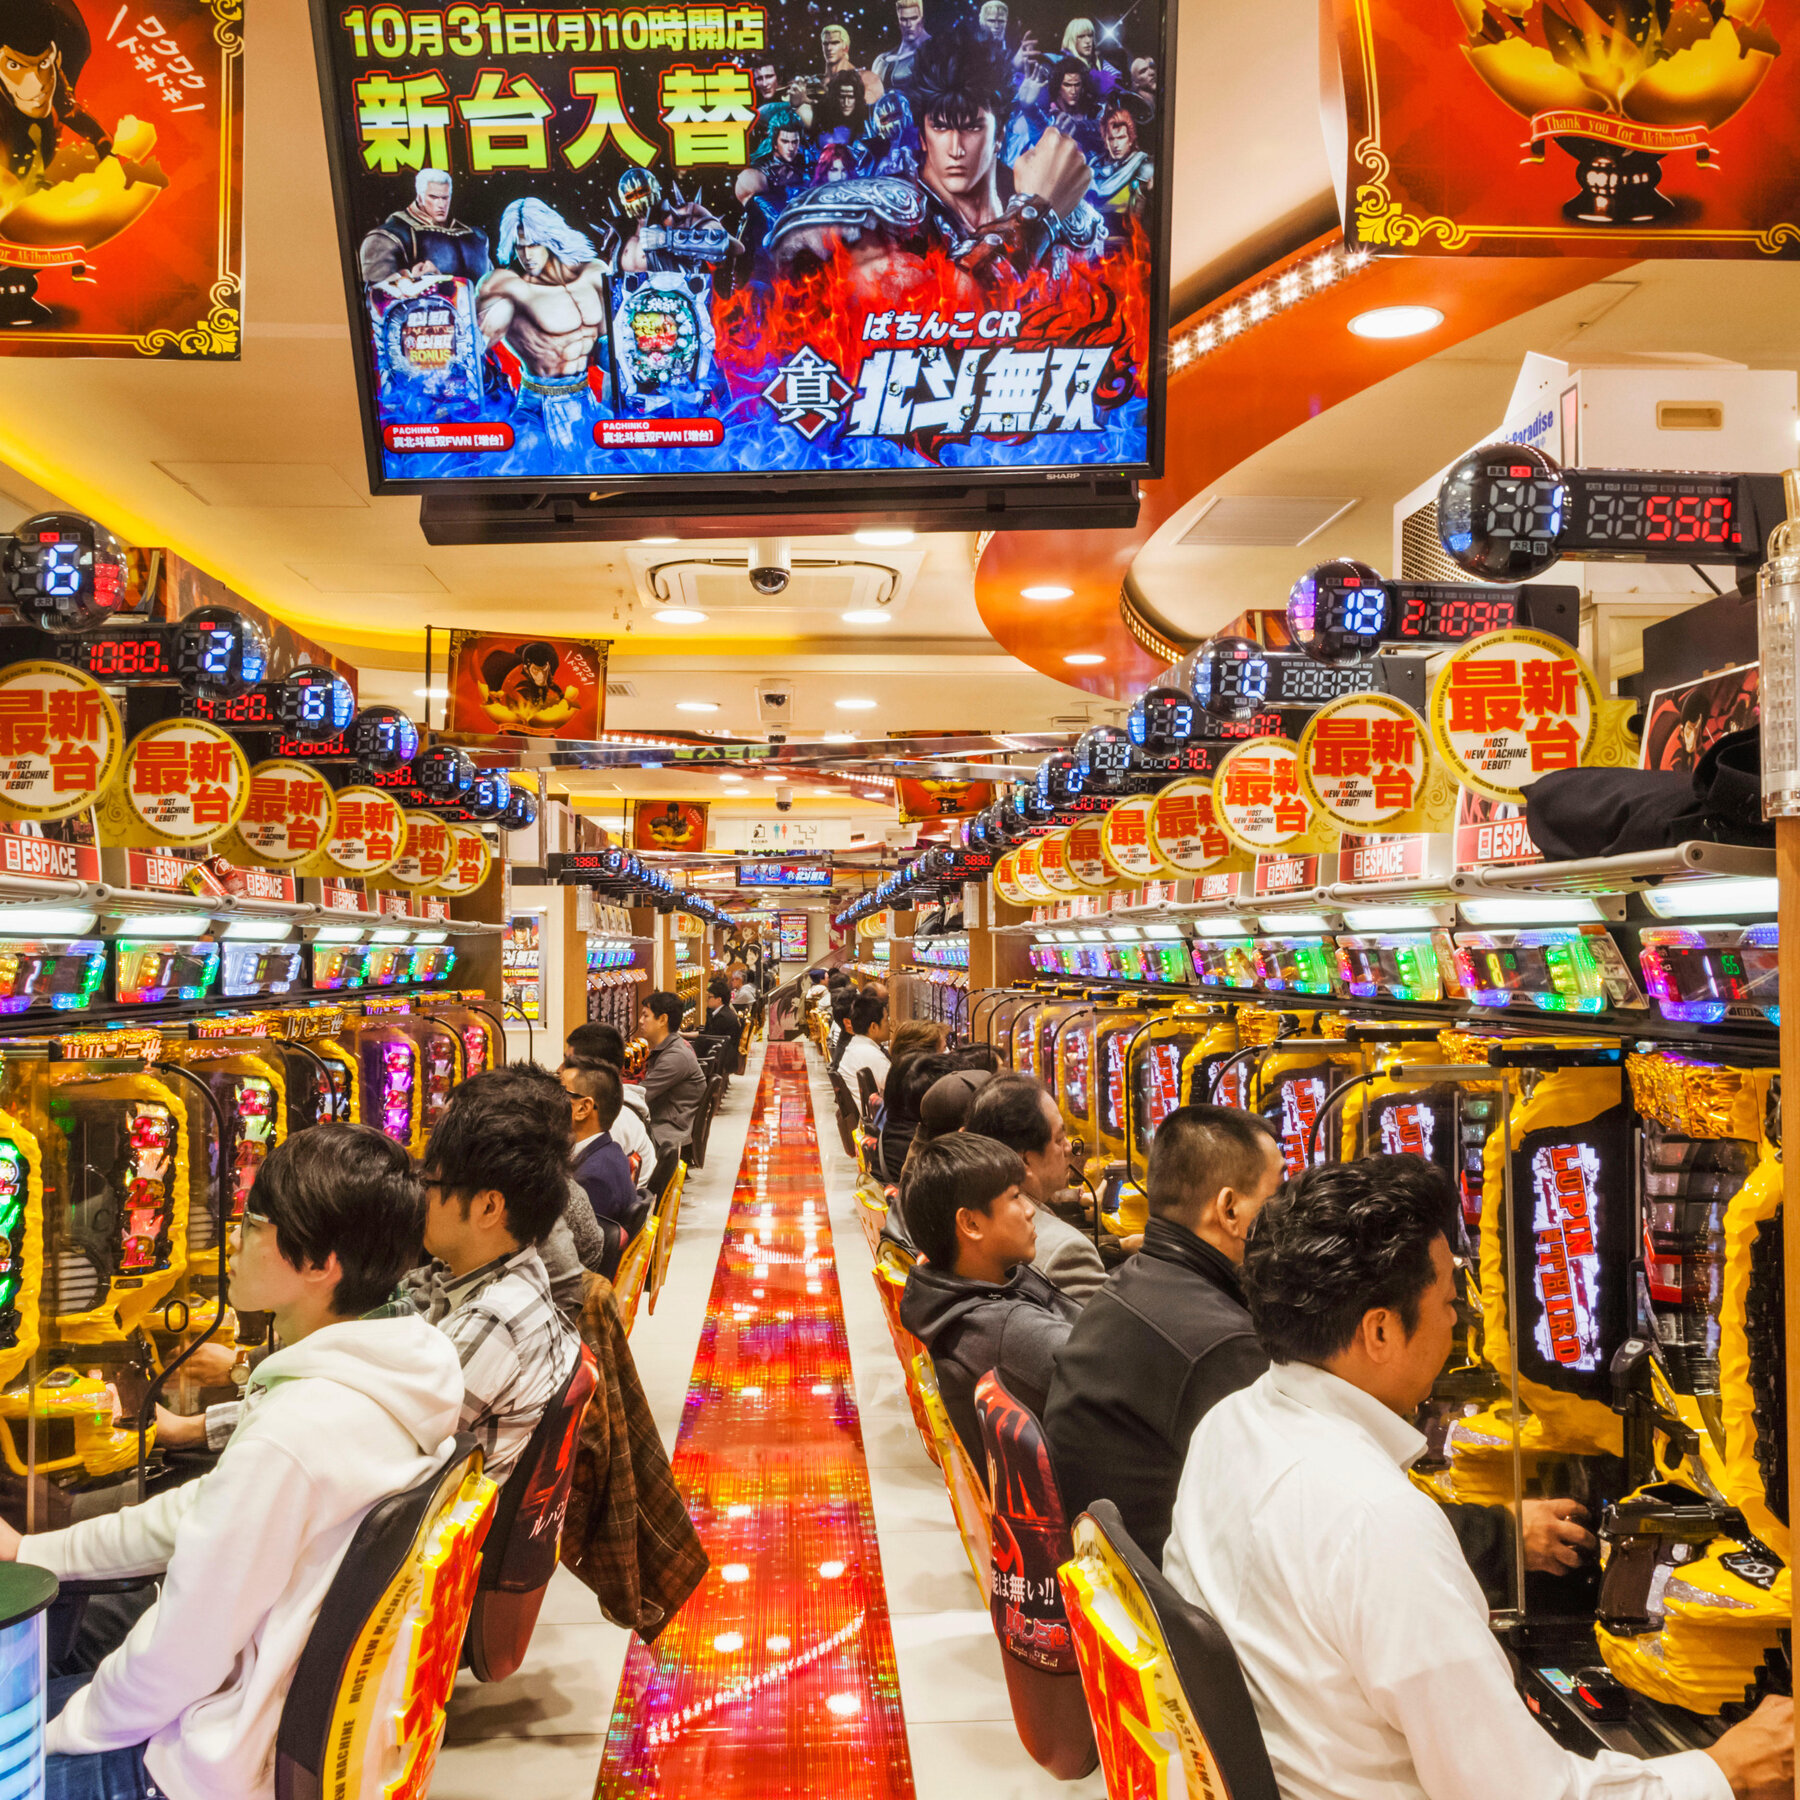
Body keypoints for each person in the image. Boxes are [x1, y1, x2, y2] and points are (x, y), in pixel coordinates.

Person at [1164, 1155, 1793, 1800]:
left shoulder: (1229, 1425)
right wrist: (1724, 1772)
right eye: (1447, 1301)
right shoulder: (1374, 1521)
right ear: (1379, 1330)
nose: (1459, 1321)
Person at [1, 1123, 463, 1800]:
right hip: (284, 1734)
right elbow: (208, 1511)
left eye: (252, 1222)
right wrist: (38, 1551)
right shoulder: (404, 1371)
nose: (231, 1242)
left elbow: (178, 1660)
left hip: (198, 1766)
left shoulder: (298, 1434)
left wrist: (49, 1749)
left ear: (319, 1264)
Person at [1044, 1105, 1284, 1562]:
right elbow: (1290, 1516)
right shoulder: (1221, 1346)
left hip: (1115, 1582)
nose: (1288, 1217)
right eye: (1276, 1199)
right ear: (1229, 1208)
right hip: (1169, 1599)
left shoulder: (1132, 1281)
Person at [394, 1066, 582, 1486]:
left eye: (429, 1182)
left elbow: (378, 1445)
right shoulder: (512, 1269)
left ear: (488, 1208)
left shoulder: (494, 1322)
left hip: (439, 1538)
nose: (420, 1196)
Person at [897, 1133, 1081, 1477]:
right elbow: (1117, 1380)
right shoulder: (1009, 1329)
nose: (1029, 1210)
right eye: (1015, 1197)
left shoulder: (956, 1292)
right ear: (971, 1223)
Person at [475, 196, 611, 450]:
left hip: (587, 402)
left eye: (534, 244)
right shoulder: (505, 285)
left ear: (550, 238)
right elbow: (470, 346)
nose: (526, 254)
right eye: (519, 246)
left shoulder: (594, 272)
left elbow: (611, 345)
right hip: (537, 407)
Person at [964, 1075, 1107, 1302]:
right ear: (1024, 1161)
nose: (1069, 1148)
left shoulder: (971, 1212)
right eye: (1059, 1139)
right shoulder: (1066, 1253)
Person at [560, 1060, 642, 1278]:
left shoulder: (593, 1178)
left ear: (583, 1108)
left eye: (560, 1092)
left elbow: (572, 1258)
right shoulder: (608, 1151)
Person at [359, 165, 492, 286]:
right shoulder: (389, 238)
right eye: (433, 197)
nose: (441, 205)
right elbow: (376, 298)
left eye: (445, 198)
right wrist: (413, 283)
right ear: (420, 197)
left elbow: (492, 285)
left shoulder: (475, 236)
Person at [565, 1021, 653, 1178]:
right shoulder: (616, 1102)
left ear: (593, 1067)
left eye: (569, 1062)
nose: (560, 1068)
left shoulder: (611, 1121)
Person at [639, 990, 706, 1153]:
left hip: (667, 1131)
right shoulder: (671, 1048)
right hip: (667, 1122)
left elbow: (642, 1094)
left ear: (662, 1020)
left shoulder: (675, 1056)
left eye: (645, 1016)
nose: (640, 1021)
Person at [837, 991, 890, 1100]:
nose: (890, 1024)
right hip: (877, 1114)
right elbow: (899, 1088)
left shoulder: (855, 1046)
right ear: (874, 1027)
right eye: (886, 1020)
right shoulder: (871, 1054)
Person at [697, 975, 742, 1043]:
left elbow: (709, 1037)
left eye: (709, 997)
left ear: (719, 999)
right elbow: (706, 1033)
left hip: (724, 1051)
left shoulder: (722, 1017)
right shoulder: (722, 1011)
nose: (707, 1000)